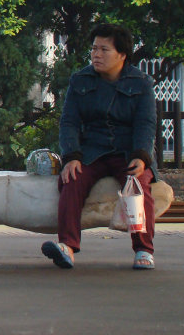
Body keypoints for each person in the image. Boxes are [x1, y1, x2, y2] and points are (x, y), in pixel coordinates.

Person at [41, 23, 157, 270]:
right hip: (91, 151)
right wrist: (71, 155)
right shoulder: (80, 80)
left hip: (127, 152)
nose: (96, 54)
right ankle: (67, 247)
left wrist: (141, 156)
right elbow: (69, 121)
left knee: (137, 184)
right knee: (71, 179)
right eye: (94, 48)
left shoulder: (142, 83)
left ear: (122, 55)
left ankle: (143, 249)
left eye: (104, 49)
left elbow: (145, 124)